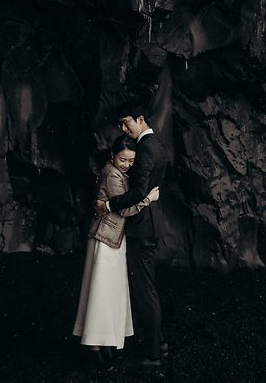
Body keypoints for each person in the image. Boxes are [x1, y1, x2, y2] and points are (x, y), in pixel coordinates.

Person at [73, 136, 161, 368]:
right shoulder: (111, 173)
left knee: (106, 290)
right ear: (113, 155)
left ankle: (100, 343)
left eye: (131, 161)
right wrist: (148, 199)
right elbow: (124, 210)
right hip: (105, 239)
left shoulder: (118, 172)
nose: (126, 165)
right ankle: (94, 346)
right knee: (101, 290)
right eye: (123, 159)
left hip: (112, 238)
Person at [97, 101, 169, 368]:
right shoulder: (156, 144)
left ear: (140, 118)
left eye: (126, 123)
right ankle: (159, 343)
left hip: (142, 226)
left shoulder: (146, 147)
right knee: (146, 288)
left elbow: (139, 191)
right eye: (121, 125)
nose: (124, 129)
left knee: (144, 292)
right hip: (150, 222)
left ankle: (153, 354)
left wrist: (108, 205)